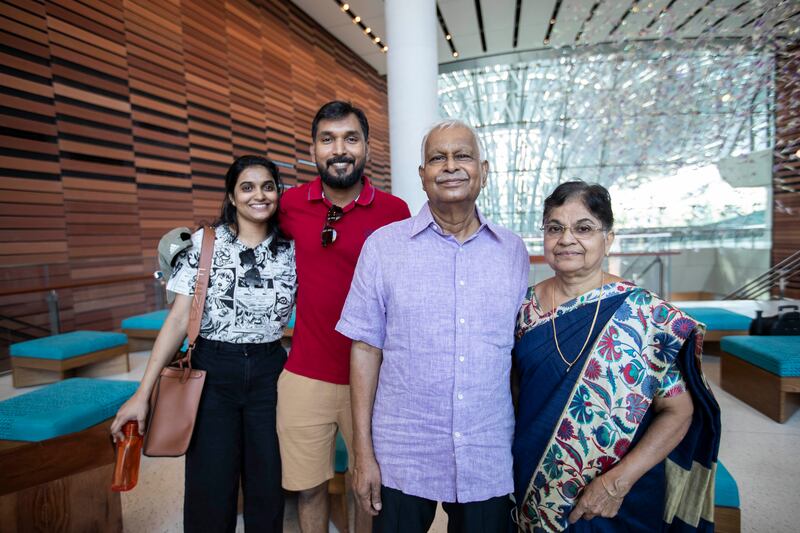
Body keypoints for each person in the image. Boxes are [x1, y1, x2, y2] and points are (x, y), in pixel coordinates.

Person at [337, 119, 530, 533]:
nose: (450, 166)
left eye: (463, 156)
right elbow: (365, 350)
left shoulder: (513, 251)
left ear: (484, 169)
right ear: (422, 174)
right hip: (403, 448)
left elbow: (518, 355)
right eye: (437, 158)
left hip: (487, 449)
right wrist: (363, 454)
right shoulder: (384, 247)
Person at [512, 181, 721, 532]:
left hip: (616, 501)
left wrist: (615, 485)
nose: (566, 239)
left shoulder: (645, 315)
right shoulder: (521, 309)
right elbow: (514, 398)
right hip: (532, 484)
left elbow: (679, 410)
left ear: (608, 239)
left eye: (584, 228)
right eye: (554, 228)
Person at [111, 155, 295, 532]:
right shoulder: (207, 242)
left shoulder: (292, 249)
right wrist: (141, 394)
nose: (258, 195)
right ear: (231, 195)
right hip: (212, 370)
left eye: (267, 186)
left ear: (278, 193)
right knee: (210, 486)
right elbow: (178, 319)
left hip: (270, 372)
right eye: (247, 187)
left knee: (268, 487)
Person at [277, 101, 410, 533]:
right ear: (313, 148)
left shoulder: (396, 212)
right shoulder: (289, 206)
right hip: (305, 373)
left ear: (367, 147)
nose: (339, 149)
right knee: (309, 489)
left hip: (376, 376)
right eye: (328, 139)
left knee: (367, 486)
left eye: (350, 139)